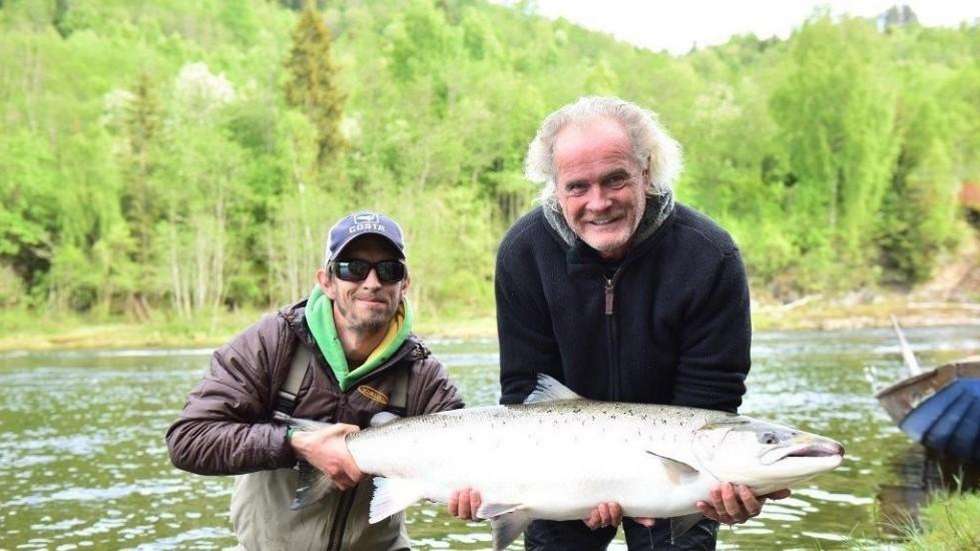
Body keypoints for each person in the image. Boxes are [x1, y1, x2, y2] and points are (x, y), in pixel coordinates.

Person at [451, 96, 788, 550]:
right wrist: (567, 488)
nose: (599, 203)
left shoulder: (710, 256)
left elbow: (710, 403)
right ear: (555, 188)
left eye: (615, 179)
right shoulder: (524, 253)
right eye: (577, 187)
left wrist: (719, 489)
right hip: (558, 464)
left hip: (677, 472)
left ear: (646, 171)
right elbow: (526, 393)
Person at [166, 211, 464, 551]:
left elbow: (461, 467)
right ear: (326, 281)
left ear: (404, 284)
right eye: (353, 268)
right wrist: (295, 443)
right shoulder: (272, 343)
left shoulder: (423, 374)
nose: (372, 282)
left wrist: (473, 499)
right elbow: (188, 439)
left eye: (388, 270)